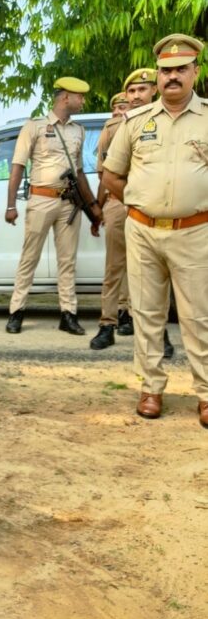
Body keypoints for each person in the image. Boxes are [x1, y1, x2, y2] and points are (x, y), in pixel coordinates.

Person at [102, 34, 208, 426]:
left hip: (196, 231)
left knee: (199, 316)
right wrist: (139, 202)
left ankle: (206, 393)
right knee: (146, 312)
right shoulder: (135, 121)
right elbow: (112, 174)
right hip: (143, 230)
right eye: (166, 71)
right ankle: (151, 388)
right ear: (159, 76)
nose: (173, 77)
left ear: (195, 72)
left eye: (181, 69)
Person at [5, 77, 102, 335]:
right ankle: (16, 312)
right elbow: (17, 166)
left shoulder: (78, 131)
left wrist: (92, 208)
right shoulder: (34, 126)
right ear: (65, 98)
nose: (83, 101)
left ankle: (68, 314)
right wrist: (10, 204)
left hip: (69, 204)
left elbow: (80, 172)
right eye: (79, 96)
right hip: (41, 199)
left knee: (67, 261)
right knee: (29, 258)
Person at [91, 76, 152, 350]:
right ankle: (107, 323)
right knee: (115, 266)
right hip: (119, 200)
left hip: (153, 207)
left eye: (142, 90)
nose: (136, 96)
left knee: (150, 269)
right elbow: (104, 171)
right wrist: (102, 205)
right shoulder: (114, 126)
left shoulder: (164, 122)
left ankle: (152, 332)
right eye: (132, 91)